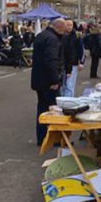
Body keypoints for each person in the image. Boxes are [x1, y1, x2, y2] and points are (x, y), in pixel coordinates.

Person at [31, 18, 67, 146]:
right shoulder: (52, 39)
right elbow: (51, 60)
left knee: (41, 109)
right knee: (53, 109)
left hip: (38, 79)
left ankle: (41, 138)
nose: (64, 33)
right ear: (59, 28)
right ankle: (53, 138)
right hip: (48, 81)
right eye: (64, 30)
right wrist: (54, 80)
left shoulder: (41, 36)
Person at [62, 19, 85, 96]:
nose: (69, 27)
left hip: (73, 63)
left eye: (70, 25)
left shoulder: (77, 35)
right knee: (63, 85)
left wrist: (81, 62)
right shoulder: (61, 35)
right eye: (67, 25)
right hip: (62, 64)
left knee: (70, 85)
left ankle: (68, 102)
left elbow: (81, 50)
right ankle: (63, 101)